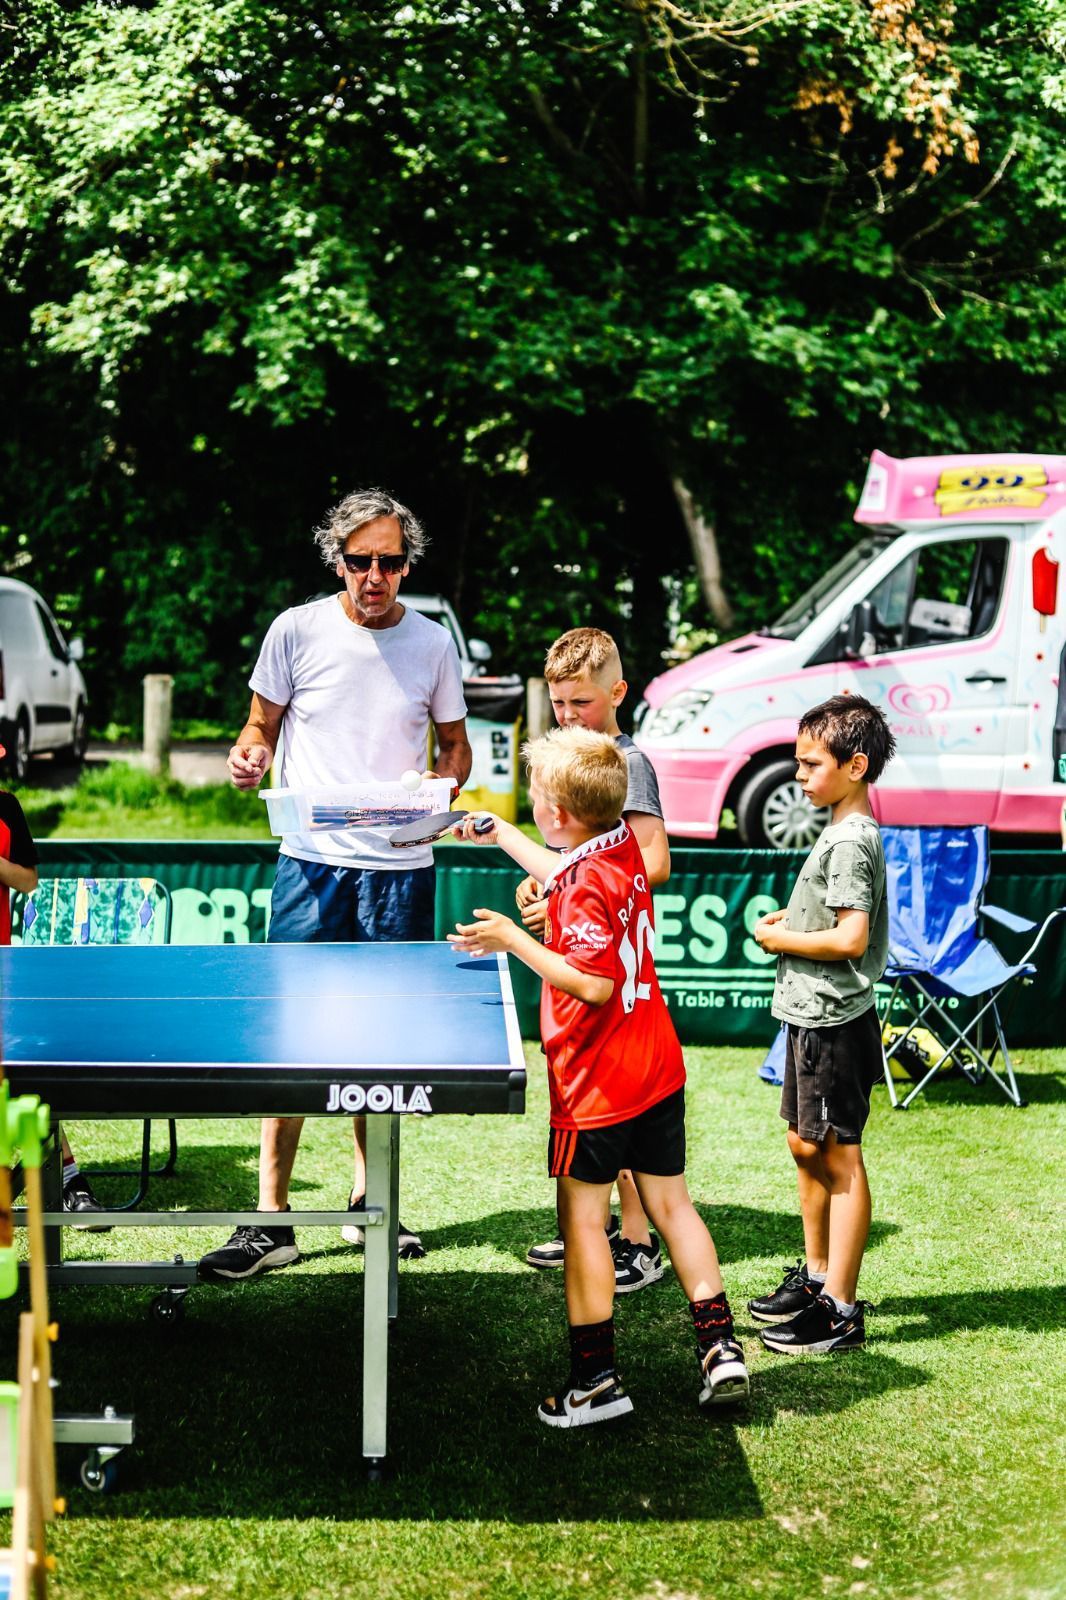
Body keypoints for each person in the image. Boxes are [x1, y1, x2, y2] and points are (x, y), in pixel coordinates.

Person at [197, 488, 472, 1283]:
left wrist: (440, 785)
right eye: (361, 561)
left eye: (390, 562)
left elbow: (455, 748)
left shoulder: (430, 645)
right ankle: (270, 1217)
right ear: (338, 560)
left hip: (401, 868)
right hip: (311, 864)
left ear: (407, 565)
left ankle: (371, 1201)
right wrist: (248, 757)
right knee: (291, 1040)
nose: (375, 575)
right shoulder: (295, 630)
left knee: (380, 1047)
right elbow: (259, 730)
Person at [448, 726, 749, 1426]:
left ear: (557, 814)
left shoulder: (581, 886)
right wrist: (501, 835)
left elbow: (591, 984)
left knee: (584, 1220)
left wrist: (514, 939)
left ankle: (594, 1384)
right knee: (675, 1208)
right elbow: (570, 875)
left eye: (537, 802)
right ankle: (720, 1346)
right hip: (656, 1066)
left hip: (598, 1084)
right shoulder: (619, 850)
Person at [515, 628, 670, 1293]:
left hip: (616, 972)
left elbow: (652, 860)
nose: (569, 716)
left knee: (623, 1109)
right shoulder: (570, 755)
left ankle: (638, 1243)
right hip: (587, 948)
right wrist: (553, 884)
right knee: (593, 1108)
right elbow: (583, 861)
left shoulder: (625, 763)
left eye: (581, 703)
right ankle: (597, 1228)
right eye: (558, 704)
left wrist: (575, 896)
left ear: (617, 694)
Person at [749, 694, 896, 1354]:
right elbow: (830, 924)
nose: (800, 775)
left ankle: (840, 1307)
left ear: (855, 765)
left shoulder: (850, 841)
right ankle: (815, 1279)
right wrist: (792, 922)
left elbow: (850, 939)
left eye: (811, 764)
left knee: (840, 1158)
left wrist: (781, 941)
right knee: (804, 1144)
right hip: (811, 1018)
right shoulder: (841, 832)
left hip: (834, 1021)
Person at [0, 750, 107, 1226]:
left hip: (2, 965)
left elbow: (27, 881)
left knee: (21, 1077)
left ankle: (66, 1177)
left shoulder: (7, 808)